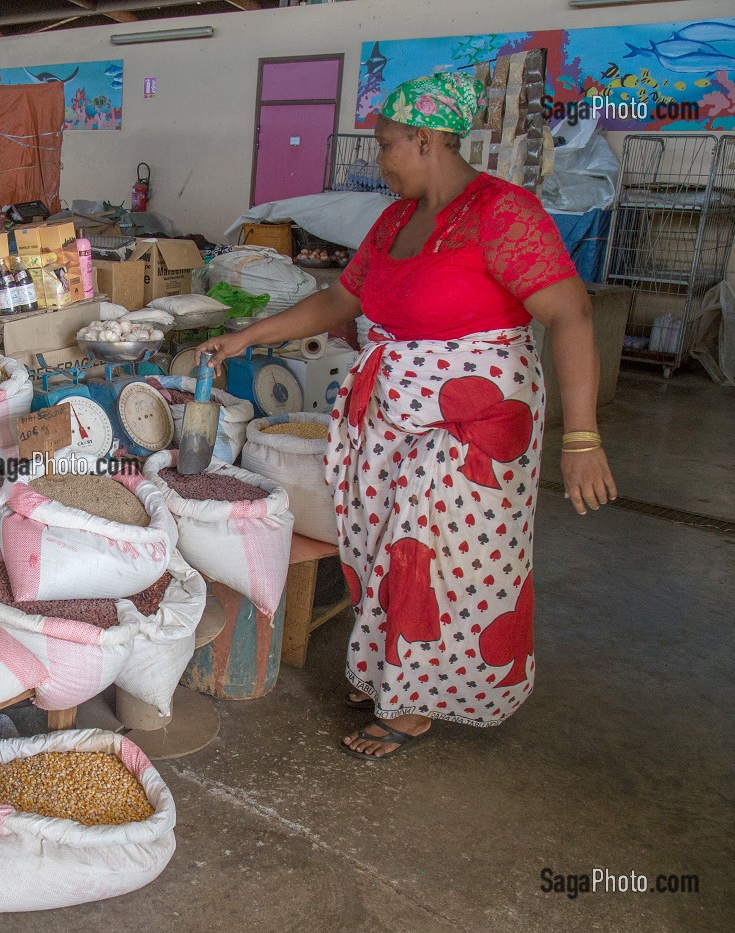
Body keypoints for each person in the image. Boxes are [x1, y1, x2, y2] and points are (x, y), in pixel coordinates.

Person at [198, 73, 616, 760]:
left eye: (388, 145)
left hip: (474, 420)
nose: (380, 159)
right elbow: (343, 300)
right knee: (376, 544)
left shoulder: (501, 213)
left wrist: (582, 436)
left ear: (427, 140)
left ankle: (416, 701)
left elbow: (570, 313)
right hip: (392, 412)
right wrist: (247, 337)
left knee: (428, 550)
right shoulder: (396, 218)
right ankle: (389, 670)